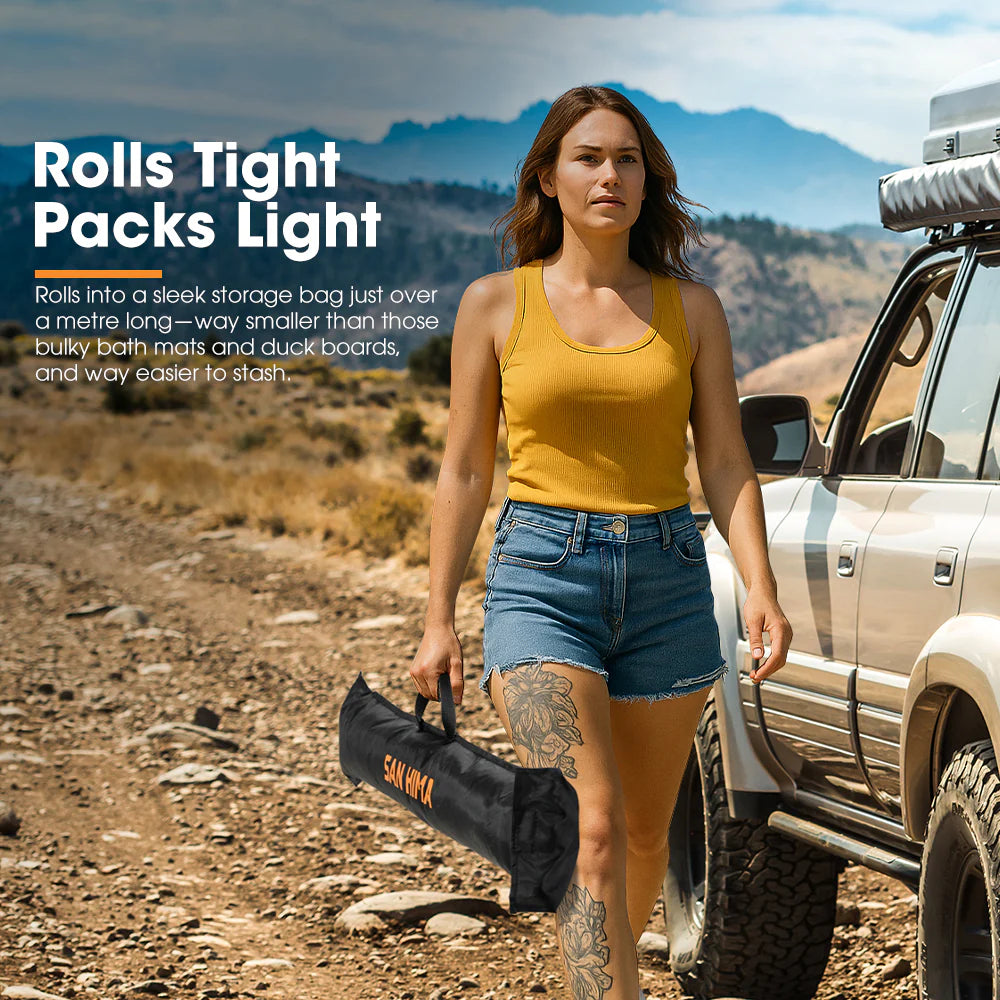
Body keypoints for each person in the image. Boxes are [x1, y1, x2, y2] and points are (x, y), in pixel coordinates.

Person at [409, 85, 791, 1000]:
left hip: (667, 584)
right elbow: (464, 471)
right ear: (547, 177)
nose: (609, 175)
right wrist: (438, 619)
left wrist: (762, 587)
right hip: (541, 582)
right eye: (588, 157)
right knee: (591, 830)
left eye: (626, 159)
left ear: (647, 180)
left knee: (647, 841)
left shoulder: (690, 310)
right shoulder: (496, 305)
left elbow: (728, 462)